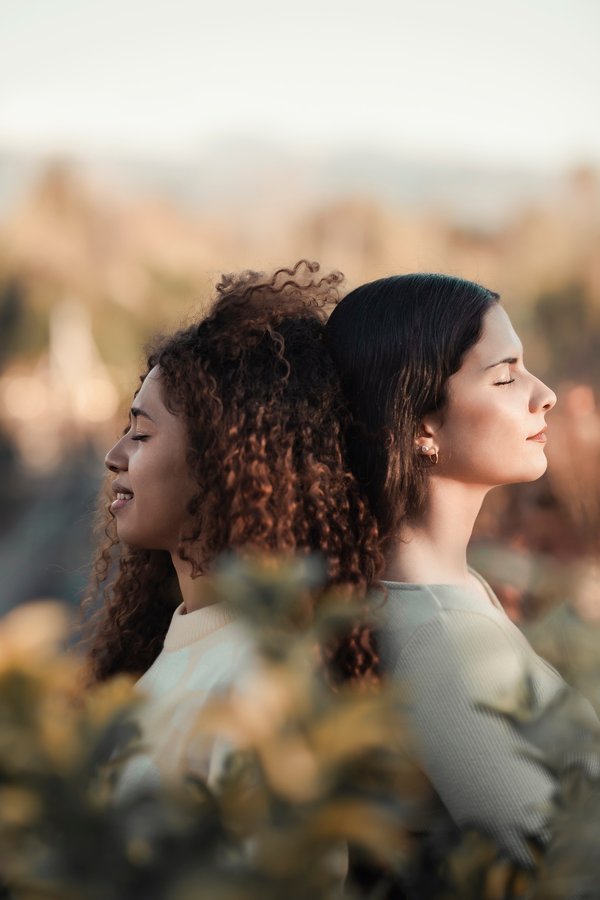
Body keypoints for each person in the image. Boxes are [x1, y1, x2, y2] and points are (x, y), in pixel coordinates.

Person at [324, 273, 600, 867]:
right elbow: (562, 870)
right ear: (421, 425)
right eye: (505, 376)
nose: (544, 394)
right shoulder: (438, 635)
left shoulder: (447, 593)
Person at [80, 260, 381, 796]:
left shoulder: (261, 686)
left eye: (141, 434)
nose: (114, 455)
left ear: (223, 460)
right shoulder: (166, 652)